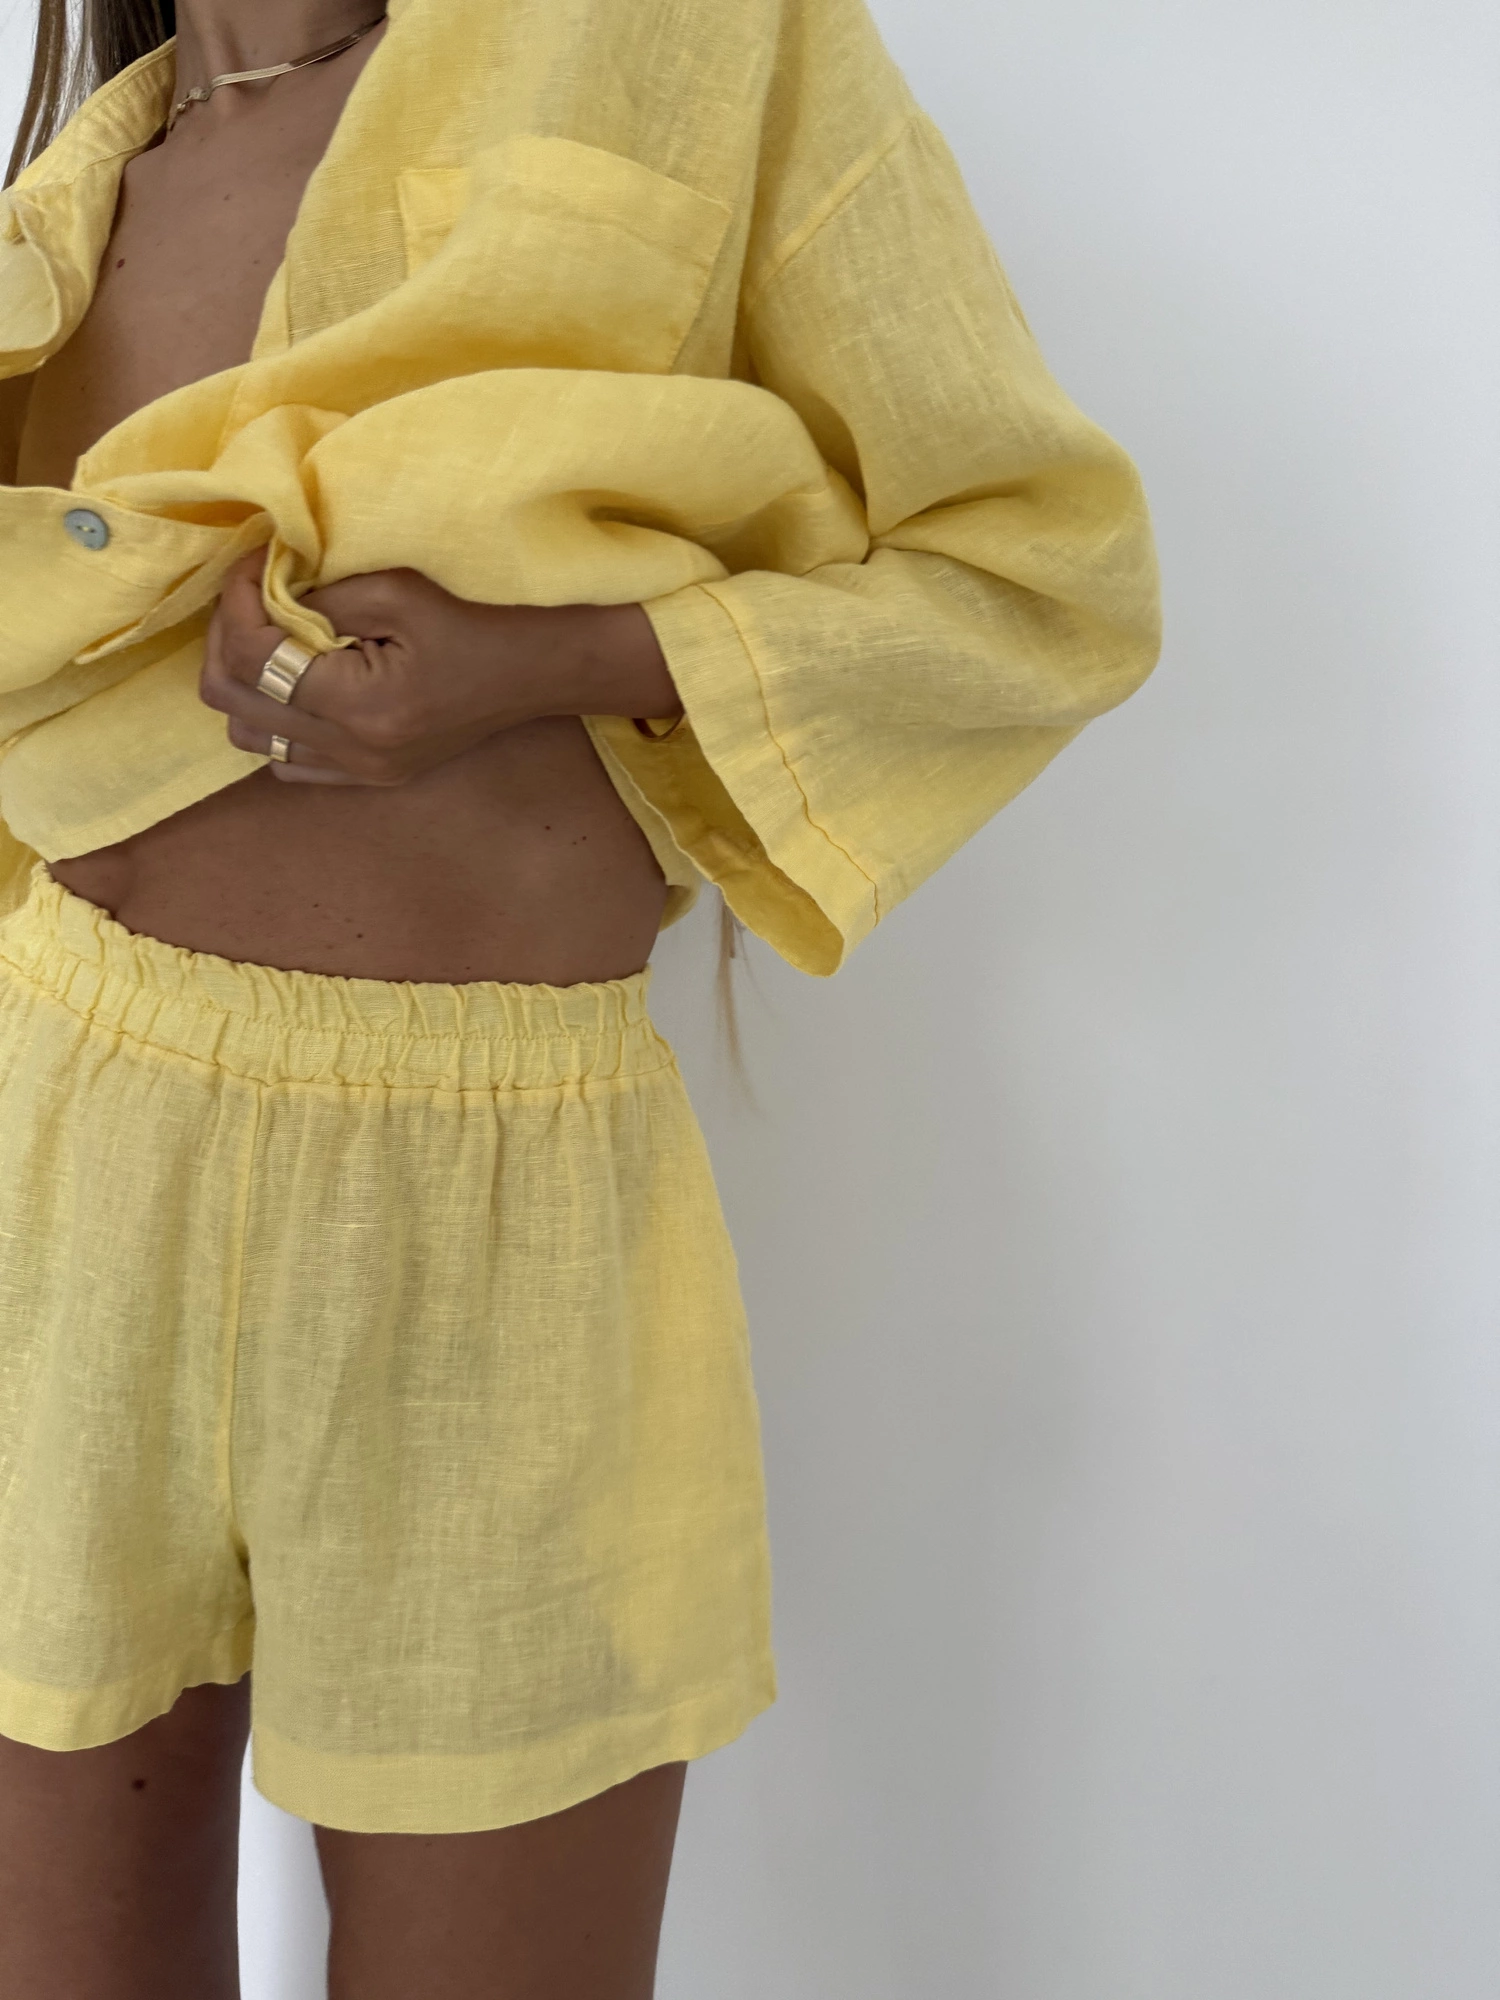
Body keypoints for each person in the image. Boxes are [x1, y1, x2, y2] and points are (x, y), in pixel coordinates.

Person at [0, 0, 1162, 1991]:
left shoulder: (696, 43)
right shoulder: (80, 191)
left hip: (499, 1213)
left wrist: (552, 660)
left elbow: (1040, 575)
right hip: (59, 1156)